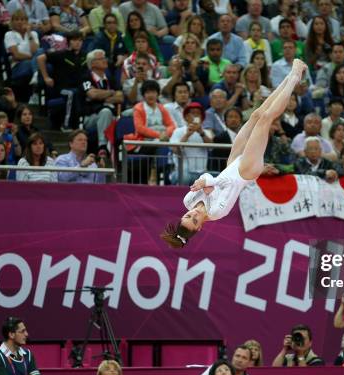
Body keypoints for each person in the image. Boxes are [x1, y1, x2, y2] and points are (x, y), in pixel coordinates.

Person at [160, 60, 308, 248]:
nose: (194, 214)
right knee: (265, 119)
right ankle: (294, 75)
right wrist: (209, 183)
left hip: (231, 165)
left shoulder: (188, 201)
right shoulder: (217, 211)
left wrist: (207, 182)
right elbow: (227, 183)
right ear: (199, 228)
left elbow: (205, 177)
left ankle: (289, 78)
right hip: (245, 171)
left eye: (188, 216)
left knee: (255, 115)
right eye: (195, 220)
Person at [81, 49, 124, 155]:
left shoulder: (110, 79)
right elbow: (92, 94)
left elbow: (120, 97)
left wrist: (102, 96)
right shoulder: (86, 78)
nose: (105, 60)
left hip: (112, 114)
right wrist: (111, 93)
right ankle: (102, 146)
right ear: (92, 63)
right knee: (105, 112)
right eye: (101, 59)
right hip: (92, 116)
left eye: (105, 58)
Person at [169, 102, 211, 185]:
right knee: (184, 177)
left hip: (202, 172)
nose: (195, 116)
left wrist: (201, 133)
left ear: (202, 117)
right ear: (186, 116)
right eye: (193, 113)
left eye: (198, 113)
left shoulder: (206, 132)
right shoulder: (178, 131)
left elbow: (211, 148)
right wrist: (187, 135)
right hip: (181, 171)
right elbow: (175, 150)